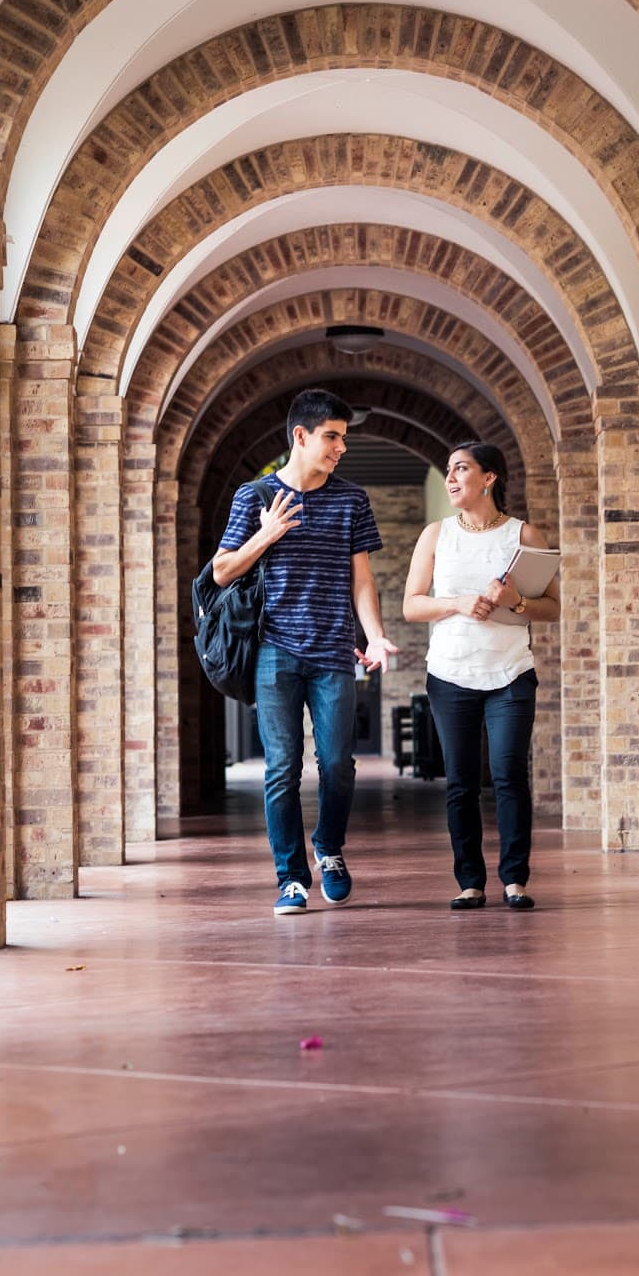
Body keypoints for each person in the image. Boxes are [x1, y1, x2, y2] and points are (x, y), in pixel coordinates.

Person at [212, 388, 398, 915]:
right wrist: (265, 535)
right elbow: (222, 571)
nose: (341, 447)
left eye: (344, 437)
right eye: (332, 437)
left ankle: (330, 849)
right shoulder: (253, 497)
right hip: (274, 650)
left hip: (334, 650)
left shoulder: (350, 500)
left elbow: (362, 580)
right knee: (281, 767)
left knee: (338, 763)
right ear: (301, 435)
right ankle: (291, 877)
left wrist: (374, 634)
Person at [402, 442, 560, 910]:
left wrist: (516, 602)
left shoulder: (523, 534)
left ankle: (515, 880)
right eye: (448, 470)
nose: (451, 478)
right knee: (461, 782)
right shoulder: (436, 535)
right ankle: (470, 881)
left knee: (509, 775)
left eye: (461, 469)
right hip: (450, 674)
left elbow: (553, 607)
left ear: (488, 477)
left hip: (511, 673)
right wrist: (457, 603)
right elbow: (412, 604)